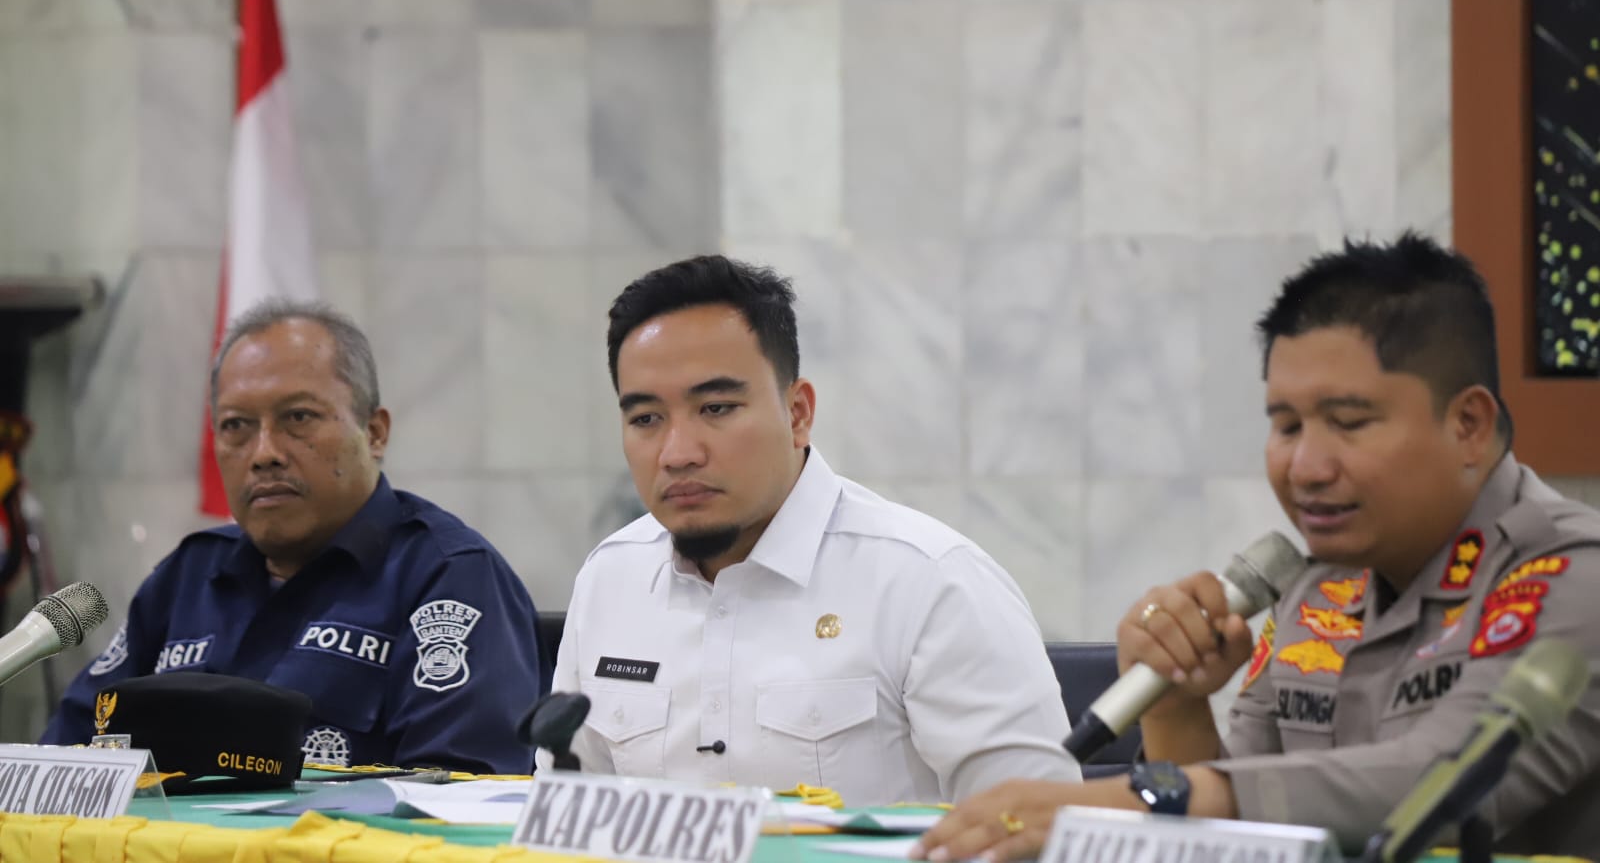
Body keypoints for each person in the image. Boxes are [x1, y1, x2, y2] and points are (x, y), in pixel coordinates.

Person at [916, 233, 1600, 860]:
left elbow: (1447, 775)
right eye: (1286, 425)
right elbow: (1240, 830)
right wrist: (1174, 705)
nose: (1305, 467)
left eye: (1348, 422)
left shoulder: (1570, 572)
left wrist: (1143, 798)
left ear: (1469, 424)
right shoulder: (1321, 585)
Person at [544, 255, 1080, 805]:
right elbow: (562, 809)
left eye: (717, 408)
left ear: (798, 413)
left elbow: (1038, 823)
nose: (678, 454)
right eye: (645, 419)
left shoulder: (931, 582)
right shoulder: (611, 578)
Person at [43, 299, 545, 775]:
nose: (264, 453)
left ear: (374, 433)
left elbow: (456, 800)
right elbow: (62, 760)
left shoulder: (450, 577)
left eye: (298, 418)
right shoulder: (186, 579)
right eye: (236, 426)